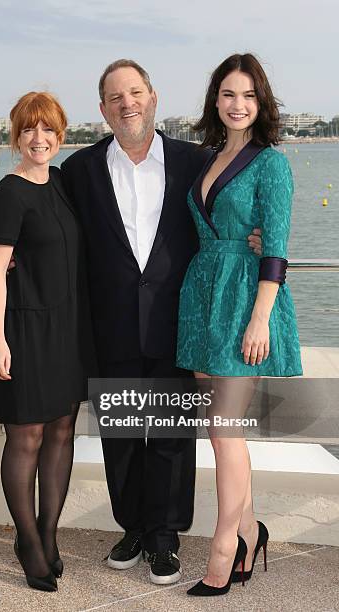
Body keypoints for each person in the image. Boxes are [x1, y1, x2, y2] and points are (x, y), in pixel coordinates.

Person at [60, 59, 263, 585]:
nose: (126, 103)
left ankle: (166, 537)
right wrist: (15, 255)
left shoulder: (195, 159)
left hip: (180, 320)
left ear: (153, 97)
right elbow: (57, 232)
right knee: (122, 435)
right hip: (112, 322)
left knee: (172, 435)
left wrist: (253, 238)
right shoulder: (80, 170)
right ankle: (132, 527)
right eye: (114, 97)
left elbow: (232, 209)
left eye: (135, 92)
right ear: (102, 109)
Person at [176, 53, 302, 597]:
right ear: (215, 100)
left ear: (262, 102)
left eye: (248, 96)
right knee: (217, 430)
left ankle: (225, 546)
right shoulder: (205, 160)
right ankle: (251, 531)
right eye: (229, 94)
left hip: (246, 303)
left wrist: (260, 320)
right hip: (205, 301)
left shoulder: (271, 163)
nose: (237, 105)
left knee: (225, 432)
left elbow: (275, 249)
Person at [0, 91, 96, 592]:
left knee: (61, 433)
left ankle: (49, 534)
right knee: (25, 436)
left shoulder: (65, 184)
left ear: (60, 135)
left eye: (48, 129)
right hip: (25, 330)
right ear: (17, 135)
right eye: (29, 129)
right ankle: (26, 540)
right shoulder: (7, 193)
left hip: (69, 329)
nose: (39, 138)